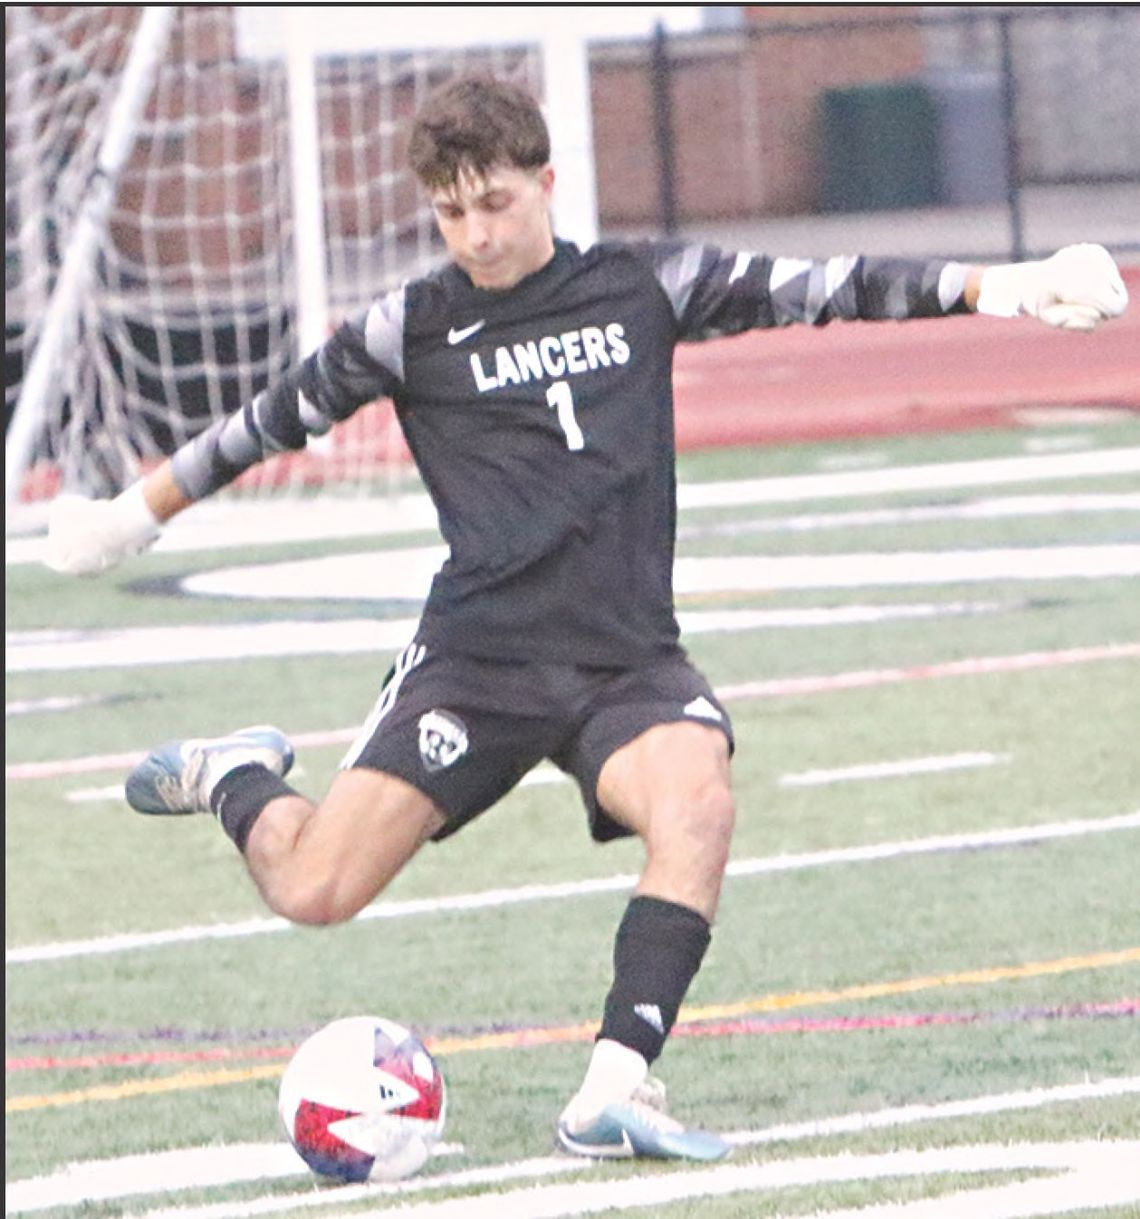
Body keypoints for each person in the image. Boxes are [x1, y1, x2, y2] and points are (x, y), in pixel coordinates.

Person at [45, 74, 1128, 1162]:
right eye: (451, 212)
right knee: (314, 889)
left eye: (496, 204)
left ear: (548, 182)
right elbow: (265, 423)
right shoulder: (411, 324)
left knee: (698, 799)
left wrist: (1010, 286)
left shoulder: (646, 281)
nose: (475, 233)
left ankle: (614, 1087)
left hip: (623, 662)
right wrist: (133, 515)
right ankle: (235, 773)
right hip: (477, 662)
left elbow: (829, 284)